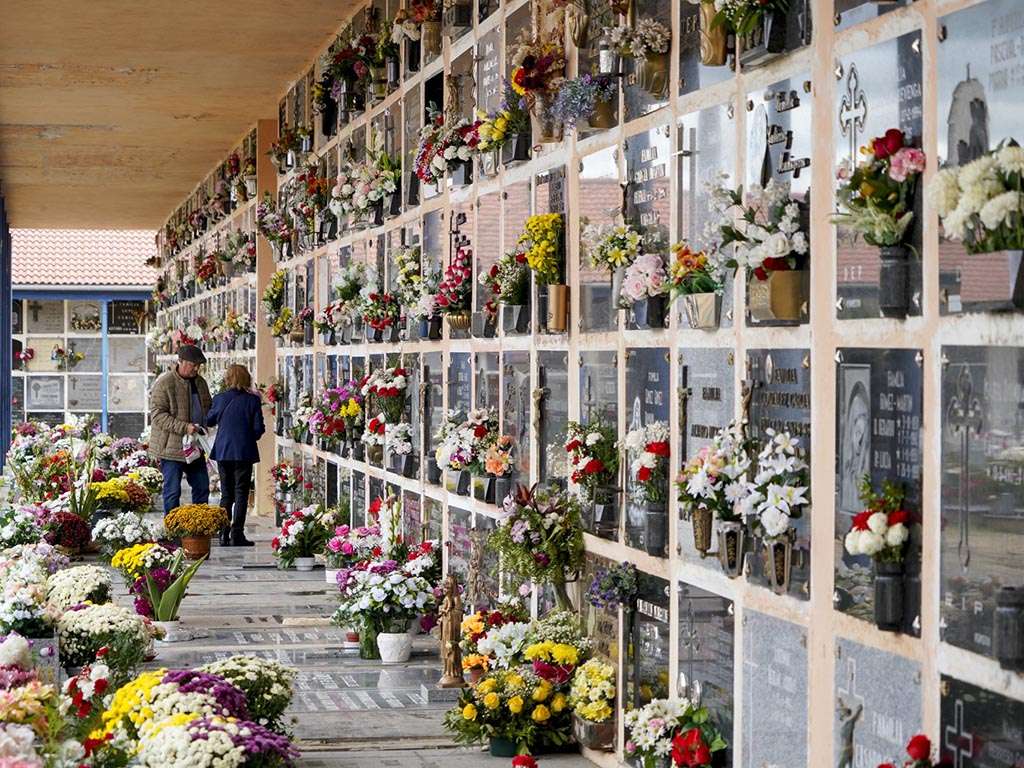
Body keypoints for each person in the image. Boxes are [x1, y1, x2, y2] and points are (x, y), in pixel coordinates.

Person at [148, 344, 212, 514]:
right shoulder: (165, 383)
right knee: (172, 491)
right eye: (193, 365)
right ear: (181, 362)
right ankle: (173, 532)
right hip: (171, 448)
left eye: (199, 365)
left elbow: (208, 407)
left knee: (202, 487)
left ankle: (199, 527)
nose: (196, 369)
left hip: (195, 446)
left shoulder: (200, 382)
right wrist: (184, 427)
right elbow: (158, 415)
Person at [206, 364, 264, 547]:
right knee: (241, 493)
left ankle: (223, 533)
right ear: (246, 378)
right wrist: (247, 436)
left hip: (224, 451)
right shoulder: (253, 401)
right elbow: (258, 429)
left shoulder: (220, 398)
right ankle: (237, 534)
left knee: (226, 493)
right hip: (244, 452)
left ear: (228, 378)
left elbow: (209, 420)